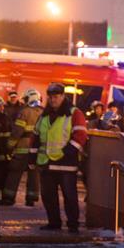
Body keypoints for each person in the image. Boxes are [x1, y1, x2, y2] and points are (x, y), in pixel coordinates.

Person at [30, 83, 87, 233]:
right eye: (50, 97)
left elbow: (81, 135)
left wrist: (68, 152)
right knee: (48, 196)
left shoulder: (74, 113)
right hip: (47, 163)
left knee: (69, 196)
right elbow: (35, 136)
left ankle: (73, 224)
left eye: (56, 97)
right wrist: (32, 156)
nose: (53, 100)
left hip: (66, 164)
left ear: (62, 96)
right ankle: (54, 222)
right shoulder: (44, 115)